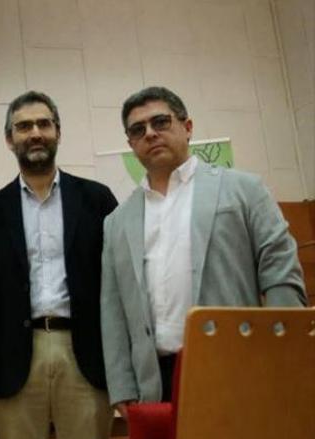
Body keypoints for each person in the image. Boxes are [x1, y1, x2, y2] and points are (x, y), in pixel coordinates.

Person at [101, 86, 307, 413]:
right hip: (157, 382)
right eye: (138, 130)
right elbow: (112, 311)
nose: (150, 134)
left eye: (160, 122)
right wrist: (123, 386)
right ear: (131, 145)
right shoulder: (117, 222)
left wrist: (281, 357)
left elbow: (280, 275)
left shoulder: (244, 190)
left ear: (188, 126)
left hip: (241, 364)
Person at [0, 91, 118, 439]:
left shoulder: (97, 199)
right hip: (16, 355)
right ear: (9, 140)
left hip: (84, 354)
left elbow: (117, 280)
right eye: (24, 126)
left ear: (57, 132)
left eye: (43, 124)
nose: (35, 133)